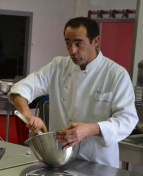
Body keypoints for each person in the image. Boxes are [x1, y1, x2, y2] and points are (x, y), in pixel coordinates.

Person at [9, 17, 138, 167]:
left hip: (98, 164)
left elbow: (127, 120)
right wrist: (27, 115)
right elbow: (21, 89)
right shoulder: (58, 66)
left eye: (78, 43)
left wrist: (90, 129)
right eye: (68, 43)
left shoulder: (116, 74)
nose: (72, 50)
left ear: (95, 41)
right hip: (59, 159)